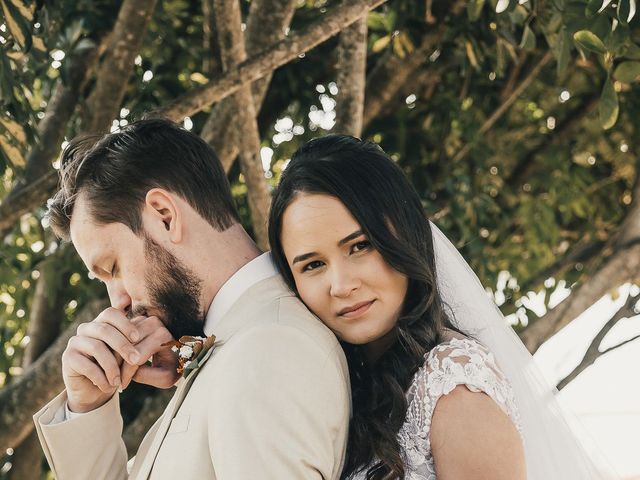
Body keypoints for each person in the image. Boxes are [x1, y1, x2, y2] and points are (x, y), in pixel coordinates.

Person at [268, 134, 610, 479]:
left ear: (406, 235)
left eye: (360, 246)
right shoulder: (340, 383)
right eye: (312, 265)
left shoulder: (455, 388)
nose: (341, 286)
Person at [32, 119, 350, 479]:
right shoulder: (238, 343)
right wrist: (87, 406)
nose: (117, 300)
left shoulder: (267, 349)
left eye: (113, 266)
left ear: (164, 216)